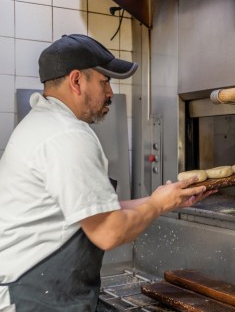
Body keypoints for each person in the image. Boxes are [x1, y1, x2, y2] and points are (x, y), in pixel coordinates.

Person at [0, 34, 215, 312]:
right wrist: (157, 204)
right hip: (37, 300)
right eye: (105, 81)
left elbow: (93, 212)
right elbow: (108, 232)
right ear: (76, 81)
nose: (111, 92)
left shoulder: (44, 124)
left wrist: (166, 199)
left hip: (37, 291)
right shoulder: (66, 135)